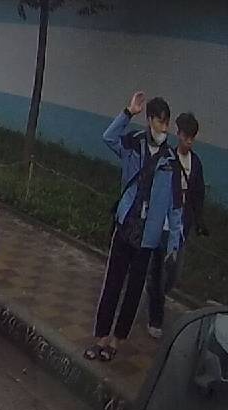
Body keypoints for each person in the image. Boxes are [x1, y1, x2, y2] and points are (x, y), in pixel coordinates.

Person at [86, 92, 184, 363]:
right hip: (125, 226)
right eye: (160, 121)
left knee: (133, 291)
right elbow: (108, 137)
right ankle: (101, 337)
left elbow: (176, 208)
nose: (164, 128)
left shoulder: (171, 161)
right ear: (150, 120)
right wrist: (128, 113)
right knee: (112, 284)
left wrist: (173, 245)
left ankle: (117, 340)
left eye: (167, 123)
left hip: (148, 237)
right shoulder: (134, 143)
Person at [146, 111, 206, 338]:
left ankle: (154, 292)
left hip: (181, 228)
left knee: (173, 274)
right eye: (185, 136)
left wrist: (198, 220)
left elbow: (198, 194)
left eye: (192, 137)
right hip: (162, 225)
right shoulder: (166, 157)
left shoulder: (196, 163)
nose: (188, 141)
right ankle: (155, 318)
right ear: (178, 134)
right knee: (159, 271)